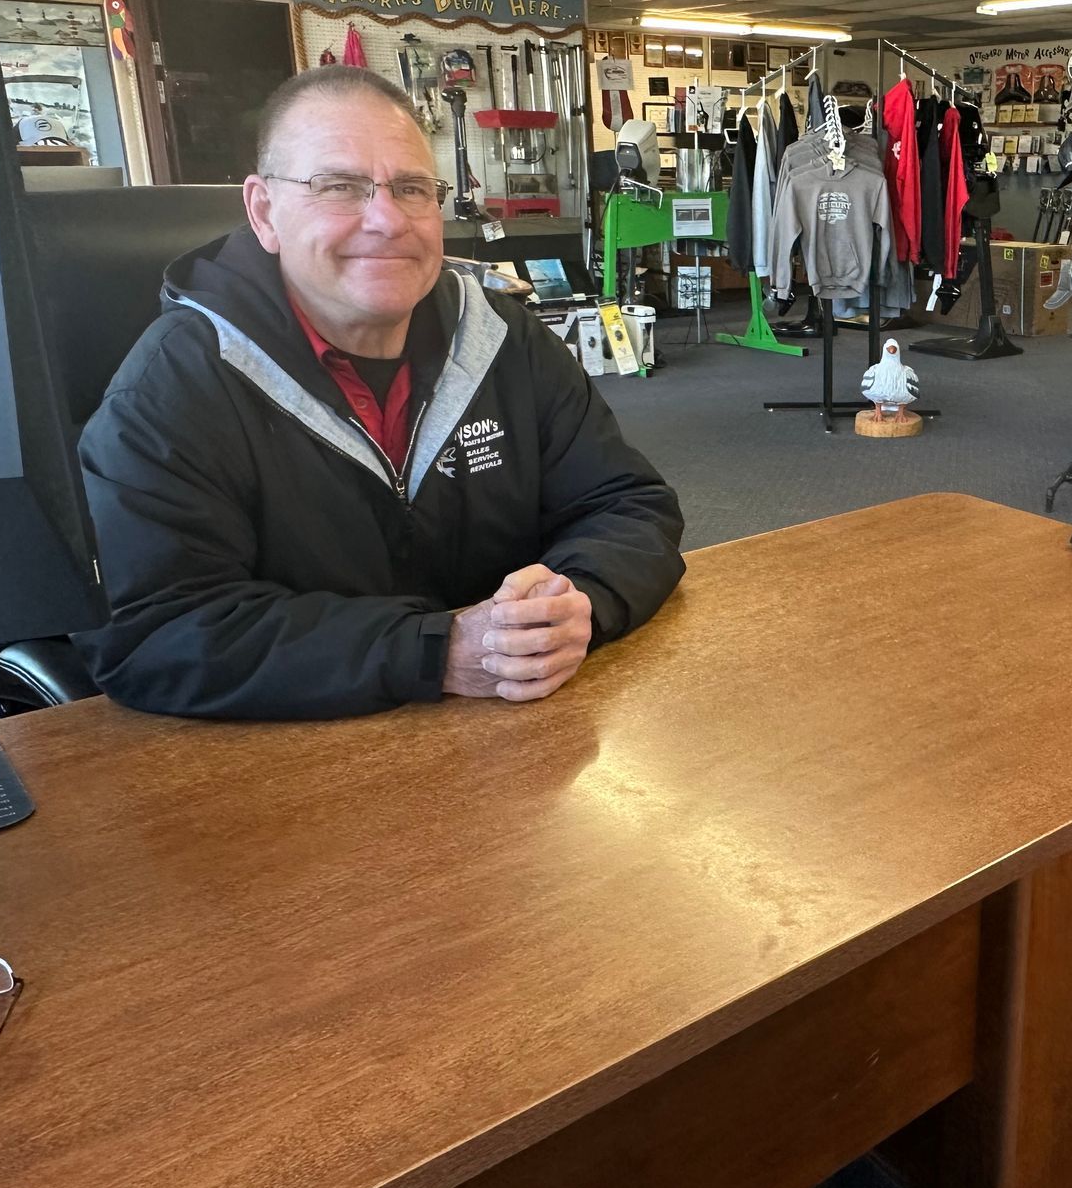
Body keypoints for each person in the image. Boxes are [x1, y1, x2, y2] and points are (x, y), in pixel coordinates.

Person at [74, 65, 684, 719]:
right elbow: (156, 631)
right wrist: (436, 651)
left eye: (412, 188)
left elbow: (629, 505)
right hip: (296, 759)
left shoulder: (504, 337)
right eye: (339, 187)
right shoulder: (174, 385)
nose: (388, 220)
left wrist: (576, 603)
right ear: (264, 211)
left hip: (525, 730)